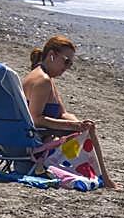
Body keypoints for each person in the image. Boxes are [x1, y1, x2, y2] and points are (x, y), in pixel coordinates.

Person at [21, 36, 117, 189]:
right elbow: (36, 119)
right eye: (66, 61)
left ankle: (103, 176)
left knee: (87, 128)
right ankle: (104, 178)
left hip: (40, 138)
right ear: (52, 55)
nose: (67, 67)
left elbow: (61, 112)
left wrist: (76, 123)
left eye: (70, 64)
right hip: (38, 147)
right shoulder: (43, 81)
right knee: (88, 132)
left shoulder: (45, 77)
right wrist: (71, 125)